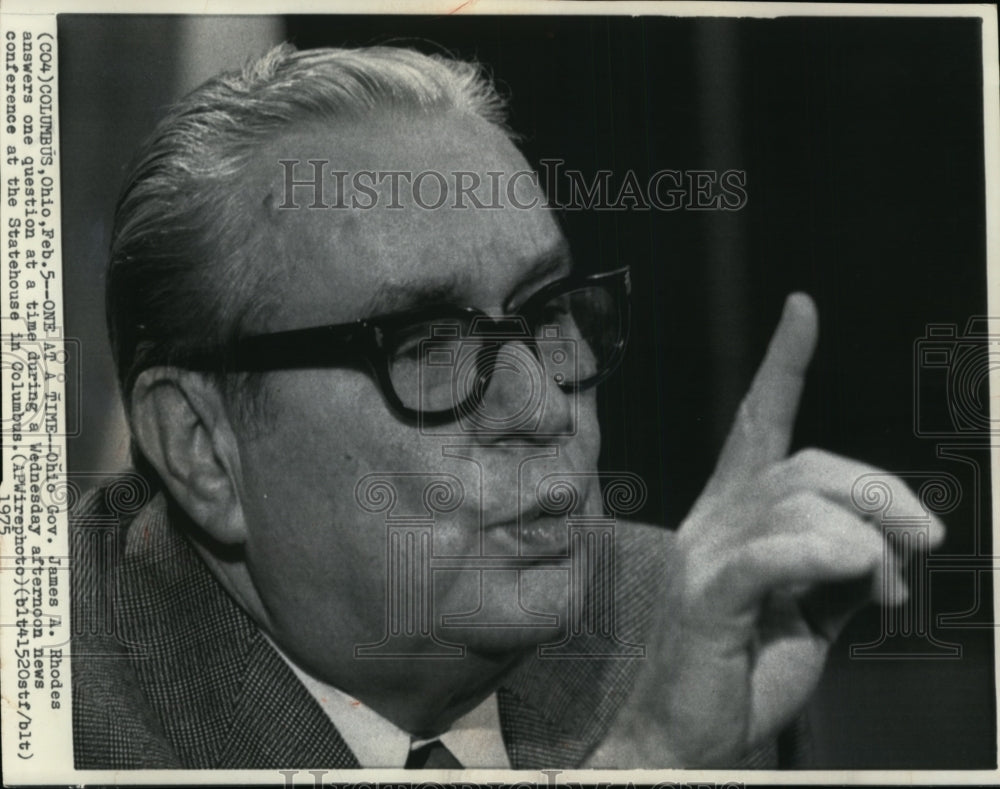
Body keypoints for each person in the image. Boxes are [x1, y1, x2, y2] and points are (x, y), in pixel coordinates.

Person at [71, 42, 942, 770]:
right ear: (201, 448)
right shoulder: (58, 717)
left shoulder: (667, 625)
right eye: (426, 345)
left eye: (546, 310)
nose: (540, 404)